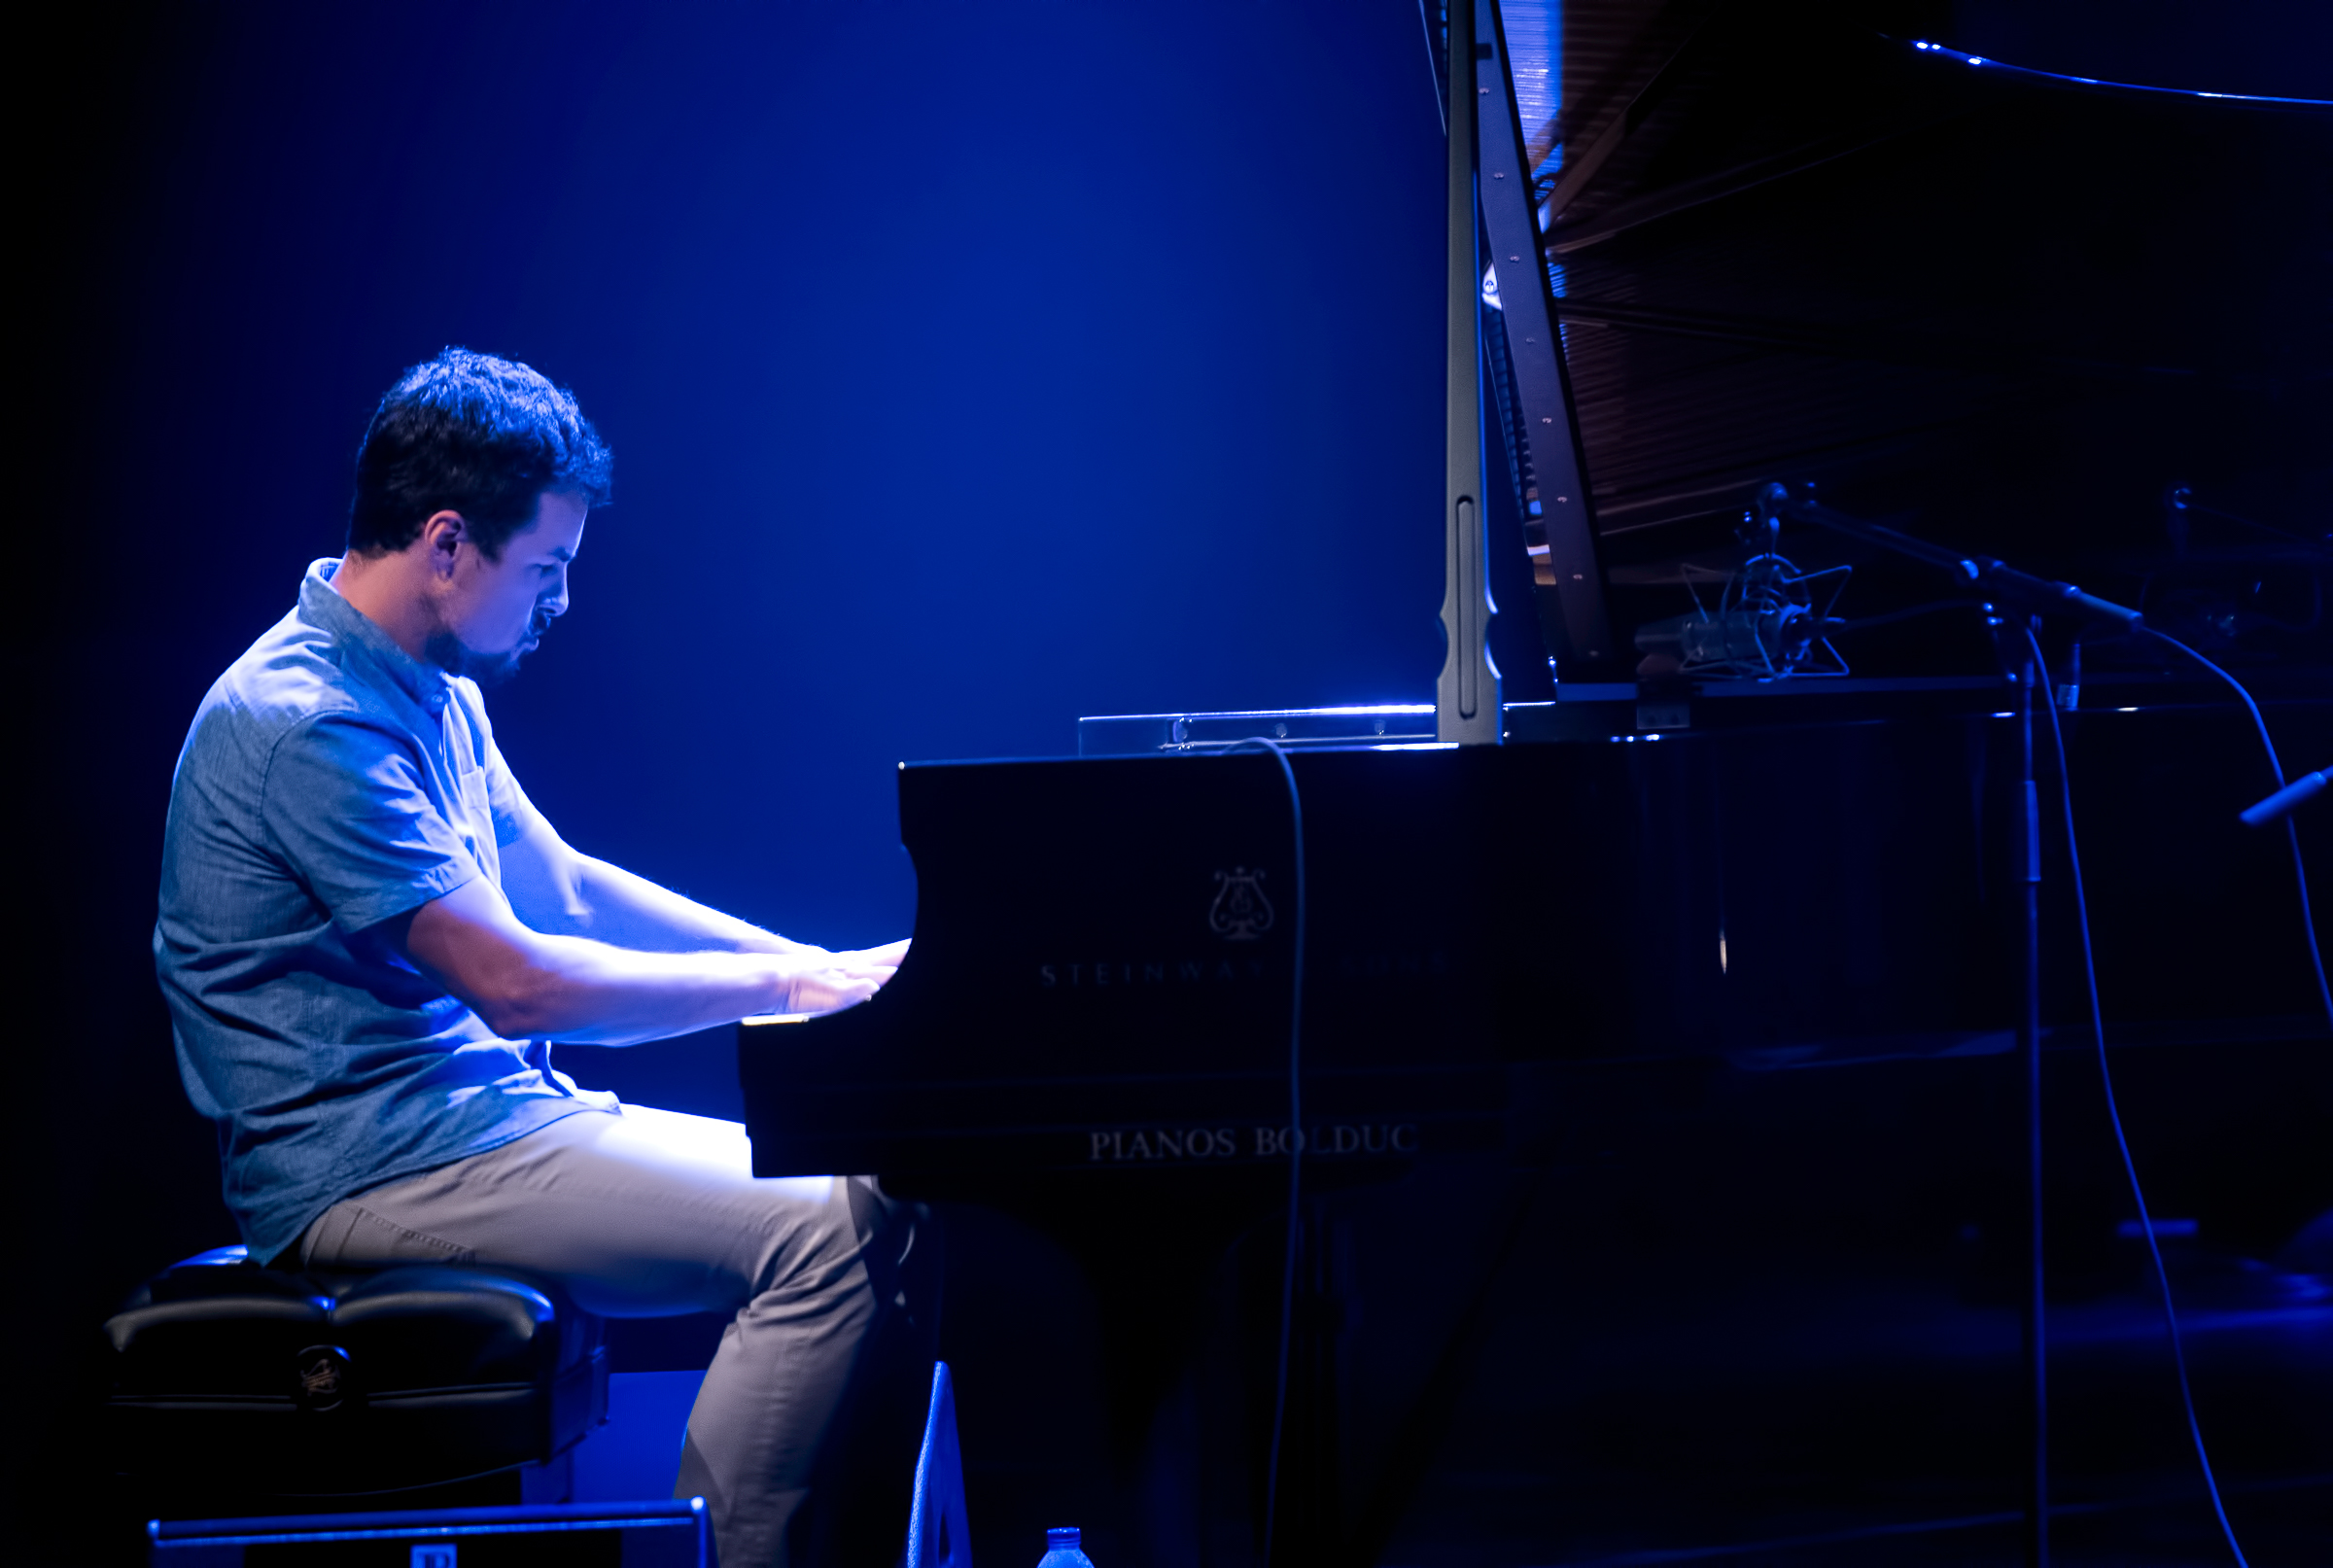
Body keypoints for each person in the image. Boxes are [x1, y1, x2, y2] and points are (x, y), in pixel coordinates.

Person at [155, 347, 924, 1566]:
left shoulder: (425, 681)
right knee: (823, 1227)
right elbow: (517, 984)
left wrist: (822, 962)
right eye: (549, 568)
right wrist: (790, 988)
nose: (561, 602)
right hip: (369, 1172)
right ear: (449, 543)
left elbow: (563, 885)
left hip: (477, 1127)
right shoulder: (306, 720)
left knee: (883, 1190)